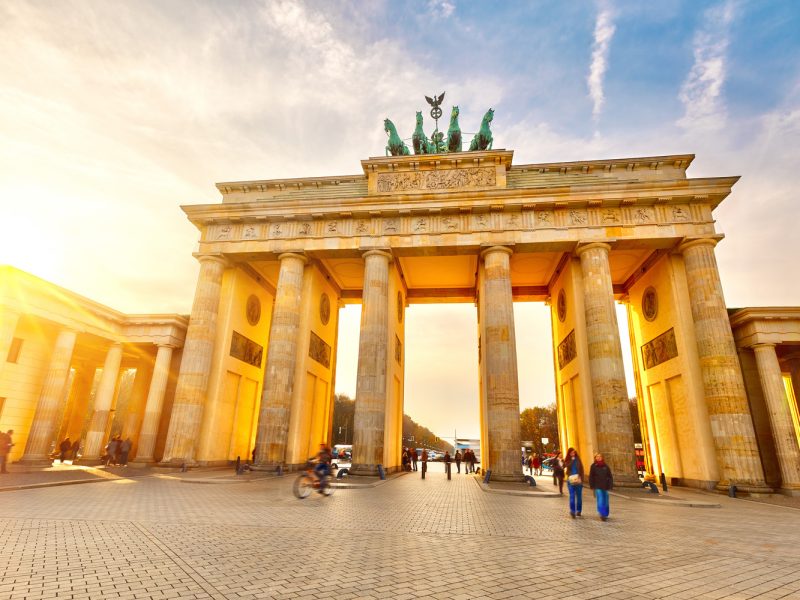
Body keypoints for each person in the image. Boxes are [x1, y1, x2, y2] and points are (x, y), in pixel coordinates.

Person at [589, 453, 614, 521]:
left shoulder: (606, 466)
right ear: (595, 458)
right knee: (600, 499)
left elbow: (609, 476)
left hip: (605, 485)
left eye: (600, 456)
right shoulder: (593, 466)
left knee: (605, 499)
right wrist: (591, 485)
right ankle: (602, 514)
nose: (599, 457)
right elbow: (591, 476)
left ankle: (606, 513)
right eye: (597, 456)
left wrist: (610, 485)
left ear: (602, 457)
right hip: (597, 485)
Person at [565, 447, 584, 518]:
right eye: (571, 452)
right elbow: (567, 466)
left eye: (574, 452)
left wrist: (582, 479)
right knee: (572, 496)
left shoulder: (578, 460)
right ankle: (572, 511)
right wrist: (572, 460)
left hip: (578, 481)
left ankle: (578, 510)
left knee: (579, 497)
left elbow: (582, 469)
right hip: (570, 481)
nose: (573, 454)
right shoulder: (567, 460)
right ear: (569, 453)